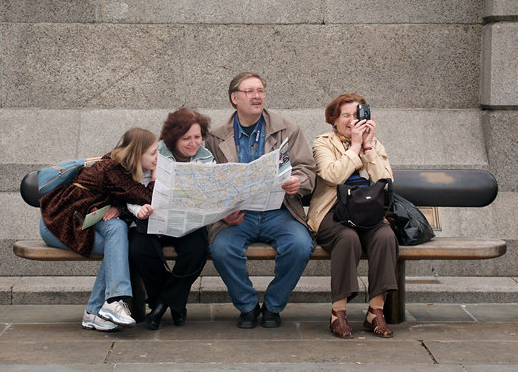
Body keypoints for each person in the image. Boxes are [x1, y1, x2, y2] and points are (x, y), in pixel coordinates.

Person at [205, 72, 316, 329]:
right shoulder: (215, 135)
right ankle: (247, 306)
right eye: (249, 91)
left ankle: (274, 306)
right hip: (237, 215)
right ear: (234, 98)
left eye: (260, 91)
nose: (257, 96)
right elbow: (208, 182)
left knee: (300, 246)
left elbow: (307, 169)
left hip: (279, 211)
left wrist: (298, 182)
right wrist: (222, 213)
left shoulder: (287, 128)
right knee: (221, 249)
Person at [39, 127, 158, 332]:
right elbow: (146, 197)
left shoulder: (122, 169)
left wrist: (119, 208)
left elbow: (124, 201)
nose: (158, 157)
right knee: (118, 239)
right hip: (58, 225)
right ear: (137, 154)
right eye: (153, 153)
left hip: (82, 222)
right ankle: (111, 302)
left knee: (117, 233)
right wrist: (155, 177)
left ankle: (95, 312)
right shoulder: (113, 169)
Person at [307, 93, 398, 339]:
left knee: (386, 236)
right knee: (347, 238)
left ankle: (375, 311)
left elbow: (385, 181)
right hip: (333, 212)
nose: (352, 120)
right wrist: (355, 147)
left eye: (357, 115)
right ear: (334, 119)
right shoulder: (323, 142)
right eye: (346, 115)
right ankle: (339, 312)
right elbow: (332, 176)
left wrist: (367, 146)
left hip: (367, 211)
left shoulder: (374, 143)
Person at [128, 108, 214, 330]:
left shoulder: (206, 158)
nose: (193, 143)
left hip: (188, 223)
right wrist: (141, 208)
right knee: (139, 250)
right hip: (154, 220)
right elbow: (134, 188)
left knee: (197, 250)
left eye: (197, 137)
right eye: (186, 138)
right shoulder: (154, 152)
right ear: (173, 137)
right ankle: (174, 303)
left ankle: (162, 304)